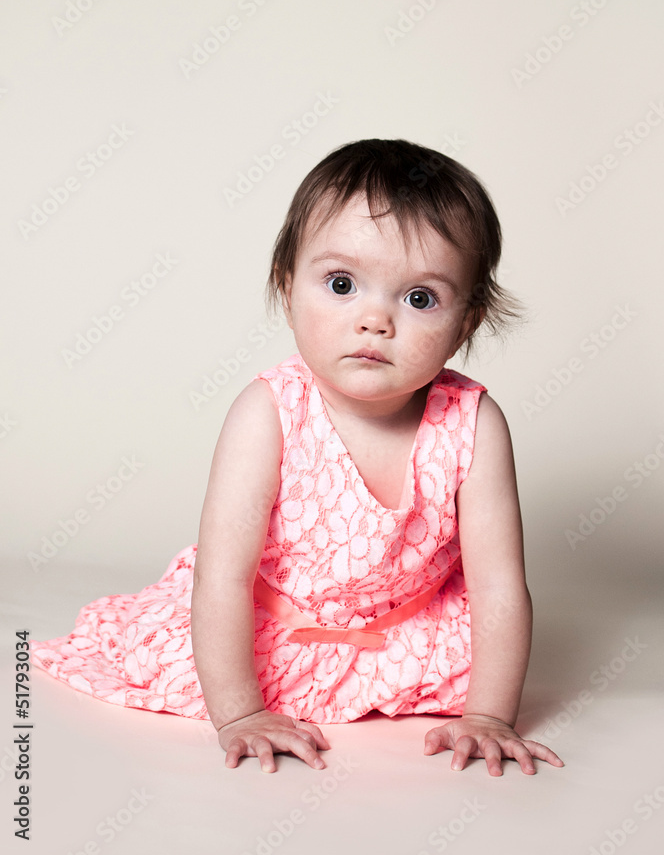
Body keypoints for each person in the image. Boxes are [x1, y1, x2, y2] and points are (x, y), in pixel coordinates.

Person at [31, 138, 564, 777]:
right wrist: (239, 713)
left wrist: (489, 716)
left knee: (469, 672)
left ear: (468, 322)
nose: (375, 320)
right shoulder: (268, 414)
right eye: (342, 284)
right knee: (188, 658)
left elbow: (499, 585)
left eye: (419, 298)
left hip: (408, 632)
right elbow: (223, 576)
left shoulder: (474, 423)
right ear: (288, 286)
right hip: (265, 627)